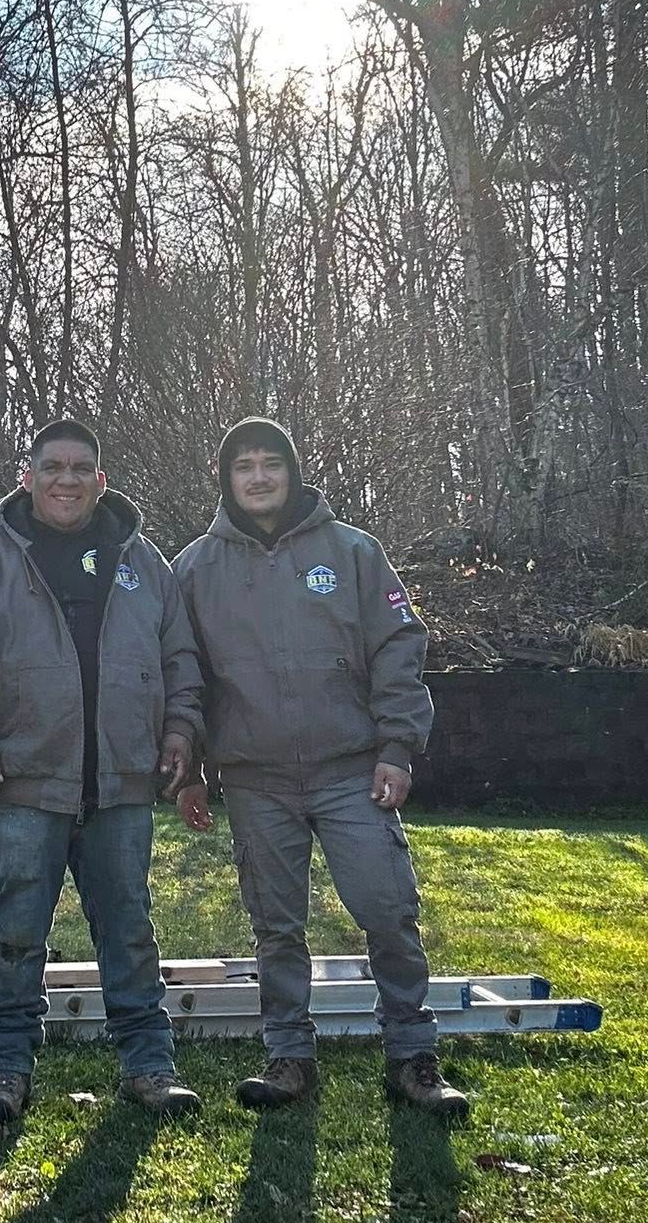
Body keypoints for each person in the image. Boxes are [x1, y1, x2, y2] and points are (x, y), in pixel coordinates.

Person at [171, 418, 467, 1118]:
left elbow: (399, 645)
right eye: (243, 466)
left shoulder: (354, 552)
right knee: (276, 926)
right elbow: (181, 675)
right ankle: (289, 1057)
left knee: (388, 911)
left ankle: (412, 1057)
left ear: (293, 471)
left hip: (351, 773)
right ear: (226, 480)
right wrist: (190, 770)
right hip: (254, 779)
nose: (258, 478)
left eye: (271, 463)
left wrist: (397, 748)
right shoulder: (194, 569)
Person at [0, 420, 204, 1123]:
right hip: (23, 783)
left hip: (122, 785)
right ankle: (7, 1070)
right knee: (15, 933)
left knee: (130, 931)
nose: (67, 480)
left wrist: (179, 730)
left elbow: (181, 662)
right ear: (27, 477)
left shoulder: (144, 562)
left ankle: (149, 1067)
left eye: (82, 468)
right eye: (53, 467)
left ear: (102, 481)